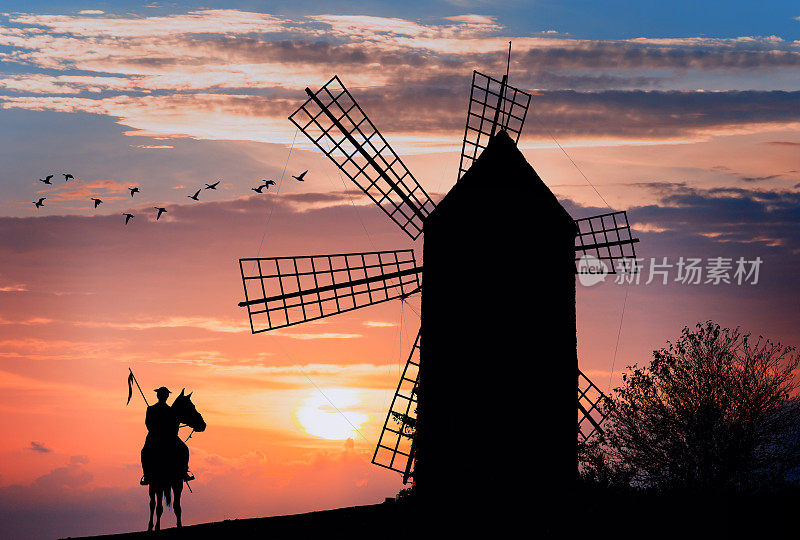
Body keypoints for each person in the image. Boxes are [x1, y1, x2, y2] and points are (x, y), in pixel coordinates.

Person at [140, 387, 192, 485]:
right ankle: (147, 475)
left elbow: (174, 424)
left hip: (166, 436)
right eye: (163, 394)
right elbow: (148, 424)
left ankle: (184, 472)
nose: (164, 396)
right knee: (144, 452)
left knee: (184, 449)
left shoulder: (168, 410)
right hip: (155, 436)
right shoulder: (151, 409)